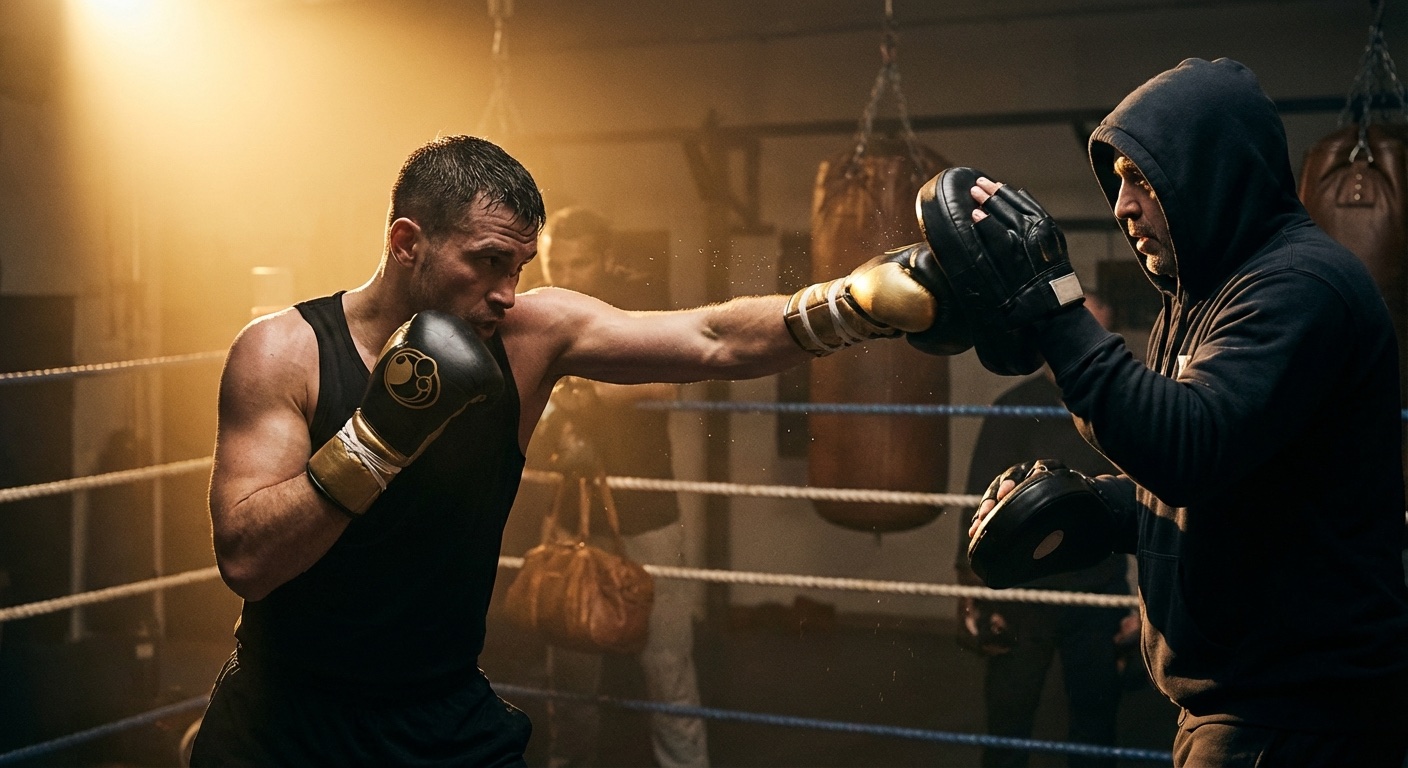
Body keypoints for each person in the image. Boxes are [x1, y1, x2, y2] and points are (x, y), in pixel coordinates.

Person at [188, 134, 970, 766]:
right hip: (282, 718)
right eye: (486, 261)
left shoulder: (529, 334)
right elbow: (248, 561)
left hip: (441, 713)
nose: (505, 292)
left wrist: (850, 305)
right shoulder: (284, 352)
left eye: (518, 267)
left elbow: (711, 338)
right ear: (406, 243)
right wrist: (375, 441)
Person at [964, 58, 1408, 766]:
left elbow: (1186, 449)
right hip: (1241, 705)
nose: (1122, 206)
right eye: (1118, 182)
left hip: (1296, 716)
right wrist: (1102, 509)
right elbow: (1236, 482)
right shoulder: (1197, 302)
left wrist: (1052, 306)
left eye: (1142, 179)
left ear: (1211, 172)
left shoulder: (1302, 287)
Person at [526, 207, 709, 768]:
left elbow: (670, 381)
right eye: (556, 262)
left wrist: (586, 391)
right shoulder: (539, 306)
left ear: (605, 259)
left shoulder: (638, 298)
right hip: (571, 506)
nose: (564, 274)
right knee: (569, 665)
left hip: (647, 508)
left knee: (667, 664)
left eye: (579, 263)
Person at [956, 291, 1138, 768]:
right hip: (1024, 594)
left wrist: (1146, 601)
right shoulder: (1015, 408)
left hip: (1098, 591)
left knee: (1096, 720)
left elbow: (1150, 503)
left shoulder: (1118, 409)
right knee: (1009, 718)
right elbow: (976, 502)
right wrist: (971, 592)